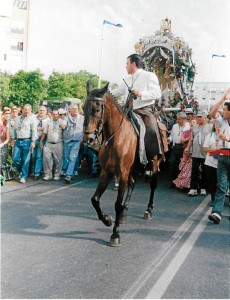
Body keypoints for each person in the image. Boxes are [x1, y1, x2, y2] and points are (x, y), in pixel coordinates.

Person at [110, 53, 163, 160]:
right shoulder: (127, 79)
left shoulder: (149, 75)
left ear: (133, 64)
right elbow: (116, 92)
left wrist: (141, 94)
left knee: (151, 130)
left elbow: (157, 93)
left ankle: (153, 158)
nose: (125, 66)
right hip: (127, 112)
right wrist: (102, 93)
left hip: (144, 111)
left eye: (127, 63)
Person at [208, 88, 230, 224]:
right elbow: (212, 113)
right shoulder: (222, 121)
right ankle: (216, 212)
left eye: (225, 109)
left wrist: (227, 138)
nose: (223, 111)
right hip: (223, 157)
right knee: (221, 186)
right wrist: (223, 99)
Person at [185, 110, 212, 196]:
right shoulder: (194, 127)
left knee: (205, 171)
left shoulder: (210, 127)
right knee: (194, 170)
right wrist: (187, 147)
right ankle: (193, 188)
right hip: (195, 152)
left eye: (200, 117)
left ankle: (203, 187)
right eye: (197, 117)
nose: (198, 118)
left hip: (206, 153)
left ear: (205, 118)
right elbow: (191, 139)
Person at [11, 104, 37, 183]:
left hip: (27, 140)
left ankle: (23, 176)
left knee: (26, 160)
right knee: (15, 158)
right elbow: (14, 129)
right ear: (22, 110)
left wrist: (33, 141)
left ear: (30, 111)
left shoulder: (32, 119)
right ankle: (21, 170)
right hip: (18, 141)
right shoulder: (17, 118)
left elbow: (34, 131)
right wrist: (13, 138)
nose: (27, 111)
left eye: (28, 110)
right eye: (25, 109)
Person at [40, 109, 66, 181]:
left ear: (58, 115)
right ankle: (48, 175)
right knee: (47, 159)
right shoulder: (48, 122)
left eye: (57, 114)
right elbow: (44, 133)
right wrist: (41, 141)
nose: (55, 116)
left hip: (58, 143)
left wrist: (63, 125)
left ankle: (57, 175)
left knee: (58, 160)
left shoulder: (62, 121)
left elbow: (65, 126)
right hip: (48, 143)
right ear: (51, 115)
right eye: (54, 114)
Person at [62, 104, 84, 183]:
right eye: (73, 109)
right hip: (67, 140)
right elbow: (63, 124)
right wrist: (63, 125)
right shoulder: (66, 118)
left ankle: (69, 175)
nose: (75, 110)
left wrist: (83, 139)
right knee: (67, 158)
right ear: (69, 110)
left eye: (76, 109)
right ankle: (69, 171)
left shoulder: (82, 118)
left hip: (77, 141)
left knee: (72, 157)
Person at [168, 111, 190, 187]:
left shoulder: (189, 126)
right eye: (177, 119)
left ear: (184, 119)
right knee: (172, 163)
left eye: (179, 119)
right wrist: (169, 139)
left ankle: (181, 183)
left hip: (183, 148)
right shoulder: (174, 126)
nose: (177, 120)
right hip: (175, 148)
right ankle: (172, 181)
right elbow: (171, 136)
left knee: (182, 166)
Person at [203, 122, 220, 205]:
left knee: (221, 183)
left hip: (222, 163)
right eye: (217, 125)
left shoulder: (226, 136)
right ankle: (213, 199)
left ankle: (220, 200)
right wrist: (215, 150)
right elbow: (205, 148)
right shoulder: (210, 135)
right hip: (210, 163)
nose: (218, 127)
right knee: (211, 182)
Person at [32, 105, 50, 180]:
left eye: (43, 110)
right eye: (40, 110)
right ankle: (34, 170)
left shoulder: (48, 120)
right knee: (33, 156)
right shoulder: (33, 118)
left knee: (39, 156)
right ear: (38, 111)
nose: (41, 112)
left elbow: (48, 130)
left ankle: (37, 173)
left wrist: (43, 128)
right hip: (34, 139)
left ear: (46, 112)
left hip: (42, 139)